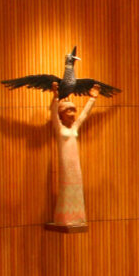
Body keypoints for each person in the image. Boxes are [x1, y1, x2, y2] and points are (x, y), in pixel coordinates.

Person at [49, 83, 100, 228]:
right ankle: (64, 217)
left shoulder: (75, 127)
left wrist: (92, 99)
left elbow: (84, 115)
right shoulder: (59, 128)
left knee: (76, 186)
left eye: (73, 110)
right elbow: (53, 113)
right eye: (69, 110)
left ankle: (76, 217)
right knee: (66, 187)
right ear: (62, 114)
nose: (72, 113)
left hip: (75, 163)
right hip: (65, 162)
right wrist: (55, 98)